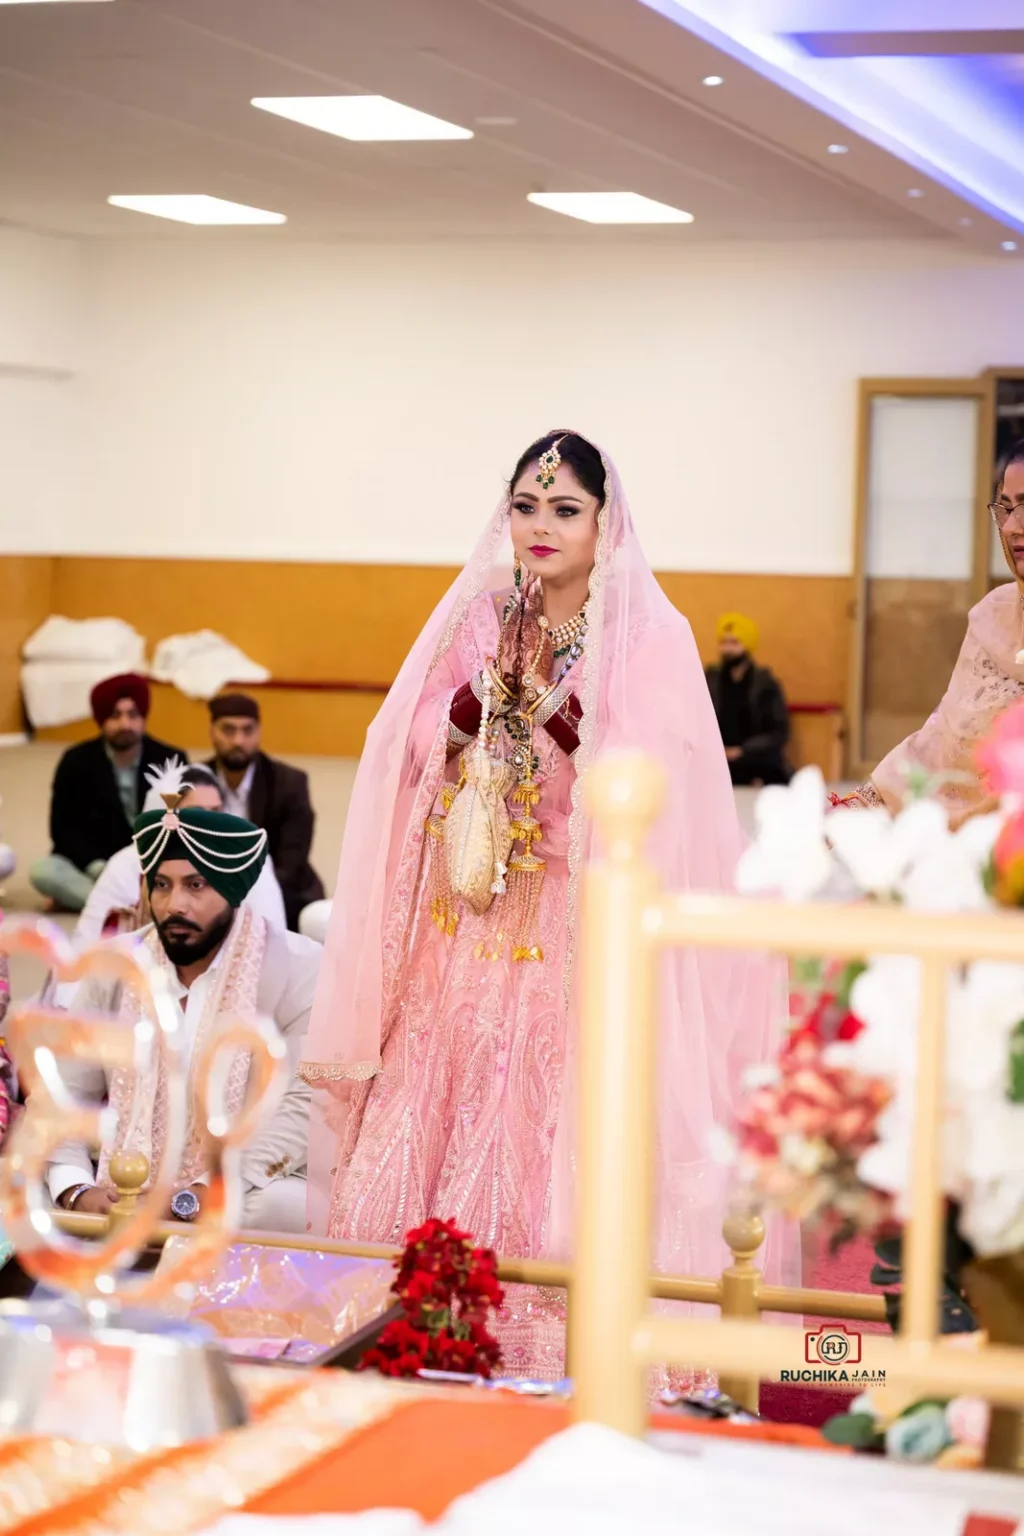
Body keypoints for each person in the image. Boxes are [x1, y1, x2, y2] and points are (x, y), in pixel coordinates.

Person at [301, 430, 796, 1374]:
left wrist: (559, 717)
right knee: (440, 1091)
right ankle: (403, 1315)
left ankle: (540, 1335)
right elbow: (403, 737)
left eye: (564, 509)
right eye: (526, 506)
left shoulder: (649, 638)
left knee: (539, 1105)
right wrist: (473, 706)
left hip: (576, 925)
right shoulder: (482, 620)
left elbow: (659, 777)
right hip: (470, 915)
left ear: (605, 524)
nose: (539, 526)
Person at [45, 802, 319, 1231]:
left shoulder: (300, 969)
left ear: (232, 891)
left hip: (239, 1182)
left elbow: (302, 1106)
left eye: (196, 885)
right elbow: (65, 1092)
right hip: (119, 1178)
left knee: (287, 1208)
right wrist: (77, 1190)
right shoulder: (115, 964)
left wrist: (200, 1193)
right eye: (162, 885)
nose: (175, 904)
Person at [843, 436, 1024, 823]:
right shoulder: (991, 617)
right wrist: (860, 809)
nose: (1011, 526)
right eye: (1005, 509)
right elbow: (940, 741)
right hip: (977, 861)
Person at [70, 760, 288, 950]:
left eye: (216, 812)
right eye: (197, 813)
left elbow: (273, 937)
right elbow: (86, 945)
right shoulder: (127, 863)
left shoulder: (244, 857)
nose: (208, 823)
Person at [30, 674, 185, 912]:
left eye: (133, 715)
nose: (125, 724)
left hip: (150, 864)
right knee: (43, 871)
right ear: (101, 720)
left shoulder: (170, 759)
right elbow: (62, 831)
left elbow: (183, 823)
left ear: (143, 717)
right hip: (95, 864)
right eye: (115, 715)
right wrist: (98, 867)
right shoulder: (76, 761)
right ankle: (132, 907)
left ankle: (107, 905)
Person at [206, 694, 324, 932]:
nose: (238, 740)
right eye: (228, 730)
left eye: (247, 730)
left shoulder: (289, 783)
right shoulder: (197, 781)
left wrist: (245, 900)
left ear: (258, 732)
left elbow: (291, 861)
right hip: (210, 893)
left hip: (282, 892)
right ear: (212, 731)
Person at [704, 614, 792, 787]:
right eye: (724, 643)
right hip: (716, 758)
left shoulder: (765, 684)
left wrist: (742, 751)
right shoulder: (710, 680)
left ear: (748, 646)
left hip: (754, 760)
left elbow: (777, 732)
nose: (727, 649)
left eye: (734, 643)